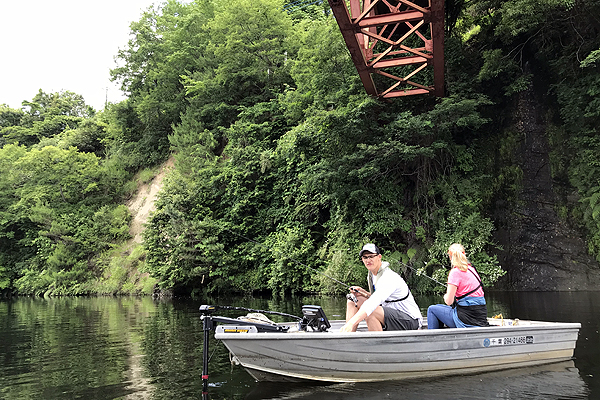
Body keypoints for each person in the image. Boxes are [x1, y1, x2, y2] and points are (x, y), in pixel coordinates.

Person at [340, 243, 423, 332]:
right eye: (365, 257)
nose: (368, 260)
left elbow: (372, 304)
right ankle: (347, 335)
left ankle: (378, 344)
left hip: (410, 321)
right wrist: (364, 293)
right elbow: (381, 299)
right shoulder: (372, 275)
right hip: (391, 316)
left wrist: (351, 323)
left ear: (379, 257)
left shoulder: (388, 277)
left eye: (371, 256)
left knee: (371, 312)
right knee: (353, 299)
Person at [427, 243, 490, 329]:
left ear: (450, 257)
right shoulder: (472, 269)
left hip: (466, 319)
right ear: (464, 254)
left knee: (432, 310)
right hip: (480, 317)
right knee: (438, 307)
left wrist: (445, 296)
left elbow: (449, 302)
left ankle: (433, 340)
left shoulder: (454, 272)